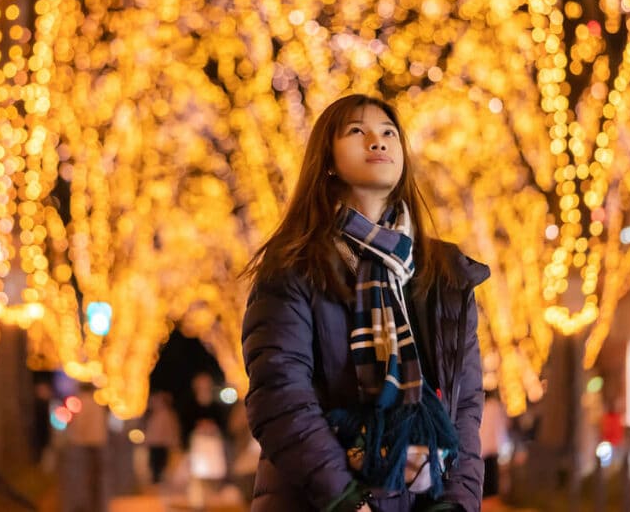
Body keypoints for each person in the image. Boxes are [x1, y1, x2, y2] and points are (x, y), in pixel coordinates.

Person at [241, 94, 488, 511]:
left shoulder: (444, 273)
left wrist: (456, 504)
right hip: (322, 500)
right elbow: (280, 395)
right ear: (329, 159)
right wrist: (345, 498)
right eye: (358, 131)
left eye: (388, 133)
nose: (378, 141)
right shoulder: (294, 266)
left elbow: (465, 407)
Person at [144, 391, 181, 484]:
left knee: (161, 463)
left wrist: (173, 441)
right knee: (154, 463)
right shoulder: (154, 415)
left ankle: (159, 479)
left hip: (162, 444)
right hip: (154, 443)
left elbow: (171, 430)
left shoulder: (167, 415)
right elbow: (150, 431)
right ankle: (156, 479)